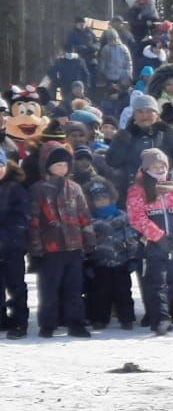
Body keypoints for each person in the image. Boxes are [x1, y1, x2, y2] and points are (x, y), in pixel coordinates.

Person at [28, 143, 95, 338]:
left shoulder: (74, 188)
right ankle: (48, 323)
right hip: (50, 248)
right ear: (46, 165)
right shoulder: (38, 190)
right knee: (49, 288)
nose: (61, 168)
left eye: (64, 165)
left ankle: (76, 322)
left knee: (74, 288)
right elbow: (33, 221)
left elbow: (84, 215)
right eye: (57, 165)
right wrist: (36, 248)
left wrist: (88, 238)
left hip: (74, 246)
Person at [127, 149, 173, 336]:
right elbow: (136, 217)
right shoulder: (138, 190)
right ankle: (161, 319)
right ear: (146, 168)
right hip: (153, 244)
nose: (160, 168)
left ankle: (163, 314)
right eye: (155, 165)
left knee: (171, 281)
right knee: (157, 283)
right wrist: (159, 236)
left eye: (162, 165)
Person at [105, 94, 173, 201]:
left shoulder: (167, 132)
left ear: (157, 114)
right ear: (134, 115)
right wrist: (124, 140)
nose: (144, 115)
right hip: (134, 193)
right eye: (140, 112)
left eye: (149, 111)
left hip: (165, 190)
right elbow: (112, 161)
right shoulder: (125, 135)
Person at [83, 179, 139, 331]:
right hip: (100, 262)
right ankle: (99, 319)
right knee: (100, 292)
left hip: (121, 261)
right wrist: (87, 261)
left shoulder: (122, 217)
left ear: (111, 198)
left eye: (104, 198)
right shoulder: (90, 220)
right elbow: (86, 243)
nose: (101, 201)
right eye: (97, 199)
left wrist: (133, 257)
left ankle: (126, 318)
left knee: (123, 292)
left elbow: (131, 238)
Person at [0, 150, 30, 338]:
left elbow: (21, 218)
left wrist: (4, 237)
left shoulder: (15, 189)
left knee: (16, 284)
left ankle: (20, 321)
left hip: (12, 246)